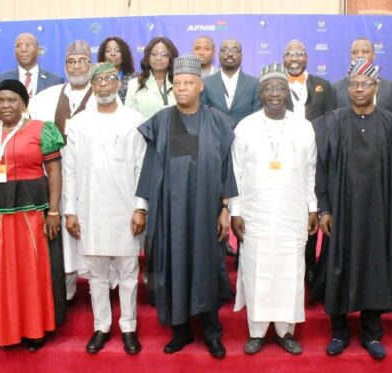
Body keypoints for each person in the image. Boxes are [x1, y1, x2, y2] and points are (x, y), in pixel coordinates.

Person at [136, 55, 237, 359]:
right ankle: (180, 331)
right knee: (174, 266)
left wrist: (224, 208)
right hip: (170, 213)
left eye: (187, 83)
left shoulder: (218, 121)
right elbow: (150, 166)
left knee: (206, 267)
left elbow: (225, 167)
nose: (181, 88)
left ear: (200, 86)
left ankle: (211, 332)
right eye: (176, 83)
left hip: (206, 211)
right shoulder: (162, 121)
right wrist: (142, 207)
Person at [314, 58, 392, 360]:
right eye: (354, 84)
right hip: (341, 213)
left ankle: (372, 334)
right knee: (339, 266)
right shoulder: (331, 122)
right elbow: (321, 170)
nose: (359, 89)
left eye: (366, 83)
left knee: (375, 268)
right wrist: (324, 209)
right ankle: (339, 331)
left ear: (376, 86)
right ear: (347, 87)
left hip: (380, 212)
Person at [0, 79, 64, 350]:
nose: (6, 105)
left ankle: (34, 330)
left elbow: (54, 171)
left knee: (32, 270)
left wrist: (54, 211)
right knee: (0, 272)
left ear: (24, 104)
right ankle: (7, 331)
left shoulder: (41, 130)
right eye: (0, 100)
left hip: (31, 213)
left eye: (12, 100)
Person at [230, 63, 317, 355]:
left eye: (280, 88)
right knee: (256, 269)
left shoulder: (303, 127)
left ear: (287, 93)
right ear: (260, 93)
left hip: (292, 213)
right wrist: (235, 211)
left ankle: (285, 331)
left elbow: (311, 172)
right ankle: (256, 331)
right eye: (269, 88)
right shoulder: (246, 127)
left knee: (290, 271)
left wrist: (312, 208)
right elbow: (236, 172)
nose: (275, 94)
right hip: (255, 213)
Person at [63, 63, 146, 355]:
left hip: (126, 211)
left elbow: (141, 168)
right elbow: (70, 169)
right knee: (97, 276)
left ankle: (128, 327)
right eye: (98, 81)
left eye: (109, 80)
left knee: (128, 273)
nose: (103, 86)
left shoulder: (134, 120)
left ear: (119, 83)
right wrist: (70, 211)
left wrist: (141, 208)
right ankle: (101, 326)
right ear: (92, 86)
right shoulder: (79, 122)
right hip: (90, 212)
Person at [28, 40, 95, 305]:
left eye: (82, 61)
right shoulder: (44, 99)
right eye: (71, 62)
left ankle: (96, 287)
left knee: (91, 231)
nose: (76, 66)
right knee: (63, 241)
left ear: (90, 66)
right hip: (57, 180)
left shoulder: (104, 96)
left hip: (93, 181)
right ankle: (65, 289)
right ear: (64, 66)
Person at [282, 39, 335, 286]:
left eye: (300, 54)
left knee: (310, 211)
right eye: (290, 54)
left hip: (314, 157)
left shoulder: (323, 86)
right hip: (282, 158)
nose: (294, 58)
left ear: (307, 58)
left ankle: (310, 270)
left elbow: (331, 120)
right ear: (283, 58)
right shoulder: (275, 84)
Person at [332, 38, 392, 116]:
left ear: (374, 56)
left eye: (365, 51)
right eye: (354, 52)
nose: (359, 55)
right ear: (350, 56)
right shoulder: (335, 88)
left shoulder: (390, 87)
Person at [201, 38, 261, 126]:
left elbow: (258, 115)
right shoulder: (206, 83)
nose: (229, 54)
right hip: (215, 137)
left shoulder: (254, 83)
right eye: (225, 50)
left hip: (245, 137)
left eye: (235, 50)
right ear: (218, 54)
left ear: (241, 55)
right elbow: (202, 115)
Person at [0, 33, 65, 98]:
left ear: (38, 50)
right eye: (19, 46)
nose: (23, 49)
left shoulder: (54, 81)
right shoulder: (2, 80)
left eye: (28, 45)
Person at [125, 37, 179, 120]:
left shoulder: (180, 83)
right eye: (154, 54)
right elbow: (129, 118)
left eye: (164, 54)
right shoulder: (134, 84)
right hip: (143, 132)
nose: (158, 58)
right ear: (147, 57)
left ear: (171, 58)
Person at [97, 36, 137, 103]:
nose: (113, 54)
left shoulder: (134, 78)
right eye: (108, 51)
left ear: (124, 55)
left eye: (117, 51)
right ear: (103, 55)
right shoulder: (96, 78)